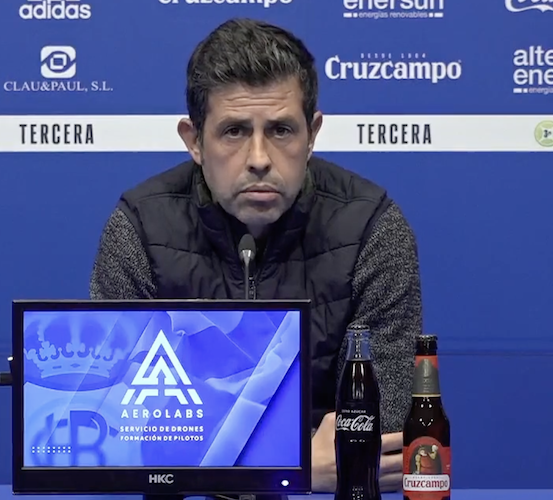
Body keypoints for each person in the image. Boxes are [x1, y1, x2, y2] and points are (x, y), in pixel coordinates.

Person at [89, 17, 422, 493]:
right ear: (193, 141)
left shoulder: (372, 227)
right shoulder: (140, 227)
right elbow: (121, 429)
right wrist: (294, 463)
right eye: (234, 131)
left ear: (314, 133)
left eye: (282, 130)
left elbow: (381, 435)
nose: (260, 158)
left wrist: (206, 450)